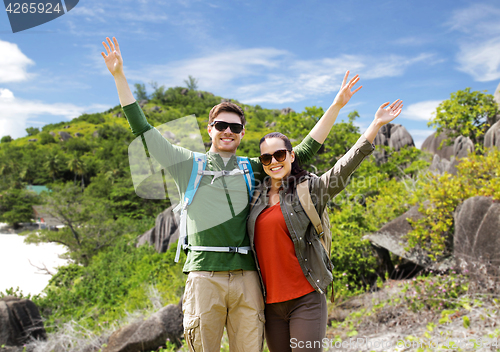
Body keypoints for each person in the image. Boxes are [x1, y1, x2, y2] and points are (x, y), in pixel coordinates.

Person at [101, 36, 362, 352]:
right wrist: (119, 77)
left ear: (241, 134)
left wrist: (335, 106)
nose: (228, 131)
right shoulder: (188, 164)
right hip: (204, 277)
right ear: (210, 129)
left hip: (247, 278)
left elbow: (302, 151)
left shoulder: (254, 166)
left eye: (235, 127)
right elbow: (143, 131)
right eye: (221, 125)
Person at [247, 100, 403, 352]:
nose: (274, 161)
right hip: (269, 304)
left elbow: (343, 168)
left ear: (291, 155)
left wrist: (375, 125)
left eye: (279, 154)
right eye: (267, 157)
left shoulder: (309, 189)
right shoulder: (255, 196)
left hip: (305, 298)